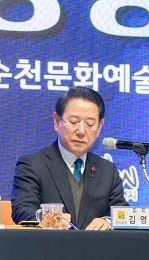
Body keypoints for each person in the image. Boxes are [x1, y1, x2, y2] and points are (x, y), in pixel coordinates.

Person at [11, 86, 126, 230]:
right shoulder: (33, 165)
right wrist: (50, 221)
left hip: (96, 245)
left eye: (90, 124)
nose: (81, 131)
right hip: (50, 243)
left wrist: (108, 221)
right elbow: (22, 209)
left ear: (99, 127)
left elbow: (122, 212)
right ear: (56, 121)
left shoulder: (108, 170)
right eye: (73, 122)